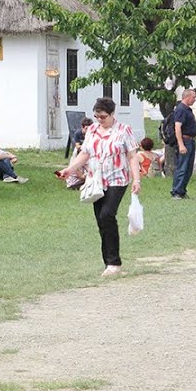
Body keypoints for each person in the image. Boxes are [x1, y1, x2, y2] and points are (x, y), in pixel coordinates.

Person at [57, 97, 142, 277]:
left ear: (112, 114)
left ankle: (114, 262)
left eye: (103, 116)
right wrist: (70, 169)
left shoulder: (123, 130)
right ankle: (109, 261)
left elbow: (133, 156)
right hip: (96, 179)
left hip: (117, 179)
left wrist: (136, 180)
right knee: (101, 220)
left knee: (107, 214)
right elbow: (85, 154)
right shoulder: (93, 130)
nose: (100, 120)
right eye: (97, 116)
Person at [169, 88, 196, 199]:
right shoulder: (181, 109)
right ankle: (176, 191)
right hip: (185, 141)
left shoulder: (187, 109)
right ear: (187, 97)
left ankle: (182, 190)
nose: (195, 99)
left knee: (188, 168)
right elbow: (178, 127)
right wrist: (181, 144)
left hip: (191, 140)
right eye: (193, 97)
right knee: (182, 167)